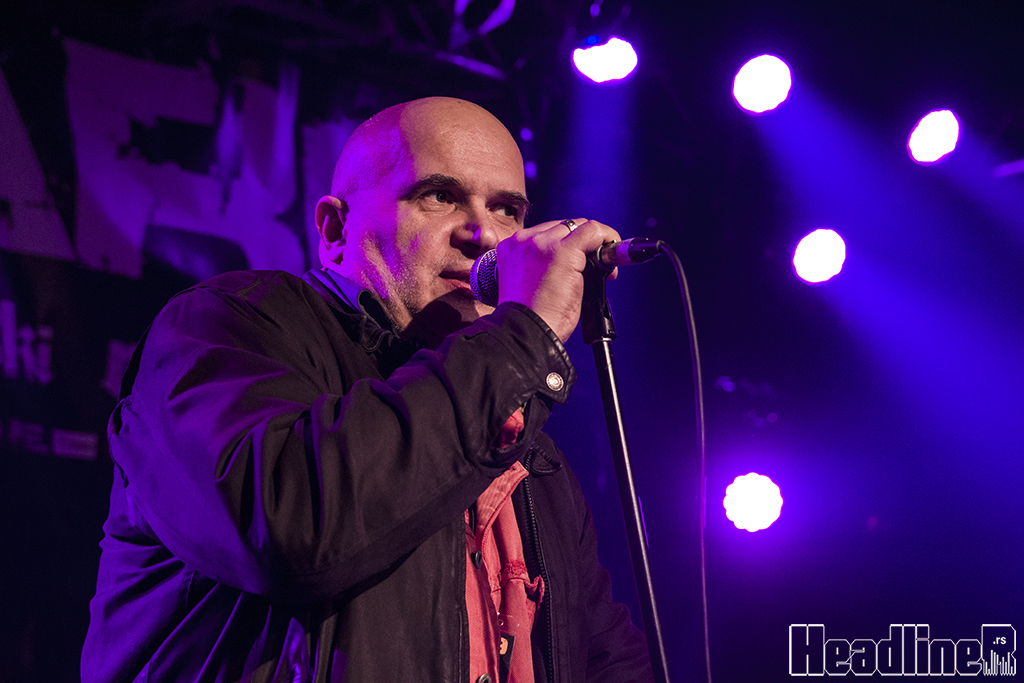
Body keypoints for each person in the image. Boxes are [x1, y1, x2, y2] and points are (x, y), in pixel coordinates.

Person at [82, 96, 654, 683]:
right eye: (440, 196)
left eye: (507, 210)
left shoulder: (526, 445)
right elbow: (290, 526)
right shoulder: (223, 326)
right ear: (336, 230)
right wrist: (526, 338)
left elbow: (605, 658)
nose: (484, 234)